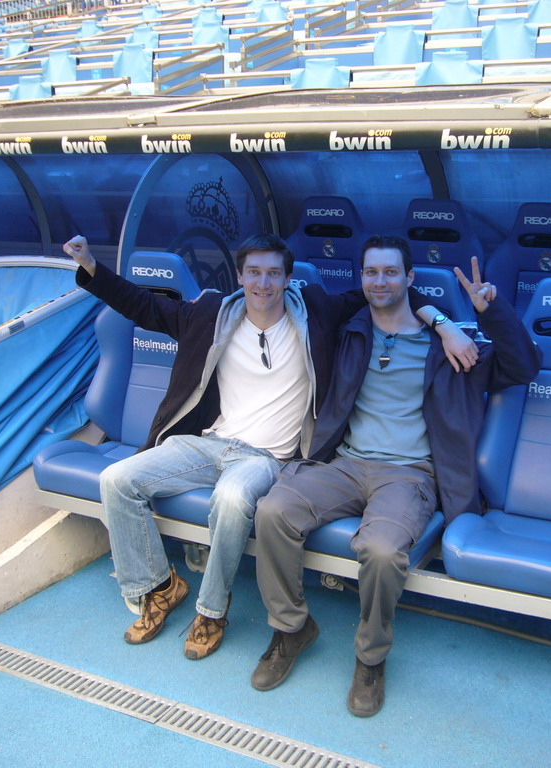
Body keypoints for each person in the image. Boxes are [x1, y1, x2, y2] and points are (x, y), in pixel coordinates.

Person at [62, 233, 474, 660]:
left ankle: (211, 611)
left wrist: (443, 324)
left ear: (288, 278)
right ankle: (157, 586)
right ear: (239, 276)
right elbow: (144, 306)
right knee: (116, 479)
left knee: (233, 496)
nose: (263, 283)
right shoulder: (211, 314)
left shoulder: (316, 311)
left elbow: (388, 289)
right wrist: (92, 266)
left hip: (267, 457)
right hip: (208, 442)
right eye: (254, 272)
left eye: (274, 273)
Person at [250, 235, 542, 716]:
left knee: (382, 550)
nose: (379, 280)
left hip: (408, 474)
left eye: (390, 272)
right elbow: (270, 299)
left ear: (410, 277)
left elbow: (524, 365)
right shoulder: (349, 330)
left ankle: (370, 658)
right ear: (360, 278)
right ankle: (290, 629)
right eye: (370, 272)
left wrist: (485, 314)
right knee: (272, 510)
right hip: (344, 463)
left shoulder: (454, 347)